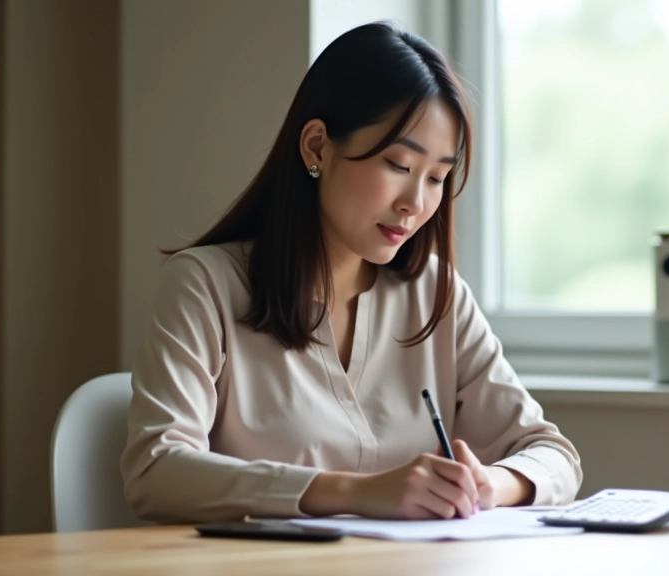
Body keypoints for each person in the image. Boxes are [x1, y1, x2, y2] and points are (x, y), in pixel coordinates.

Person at [120, 22, 582, 523]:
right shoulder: (205, 286)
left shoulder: (435, 294)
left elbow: (553, 455)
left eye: (436, 178)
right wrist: (355, 492)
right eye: (399, 166)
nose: (415, 203)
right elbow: (155, 470)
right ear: (317, 146)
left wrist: (489, 483)